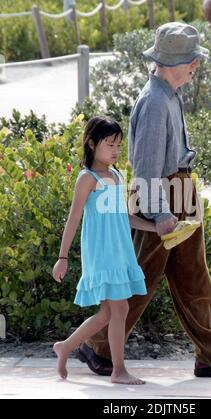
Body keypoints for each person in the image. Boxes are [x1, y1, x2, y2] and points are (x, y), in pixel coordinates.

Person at [77, 22, 211, 379]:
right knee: (136, 280)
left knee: (194, 281)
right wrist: (160, 213)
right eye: (191, 60)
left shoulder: (170, 92)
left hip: (180, 195)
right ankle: (93, 346)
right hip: (161, 199)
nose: (195, 65)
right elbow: (145, 168)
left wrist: (183, 199)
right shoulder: (155, 101)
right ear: (172, 63)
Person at [52, 116, 158, 385]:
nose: (115, 150)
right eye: (110, 144)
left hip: (120, 252)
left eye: (118, 145)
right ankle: (118, 371)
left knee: (109, 313)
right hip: (101, 254)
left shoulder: (117, 175)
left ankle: (66, 346)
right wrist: (62, 258)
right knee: (119, 309)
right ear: (91, 143)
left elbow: (123, 216)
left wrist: (155, 228)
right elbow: (73, 219)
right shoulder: (87, 179)